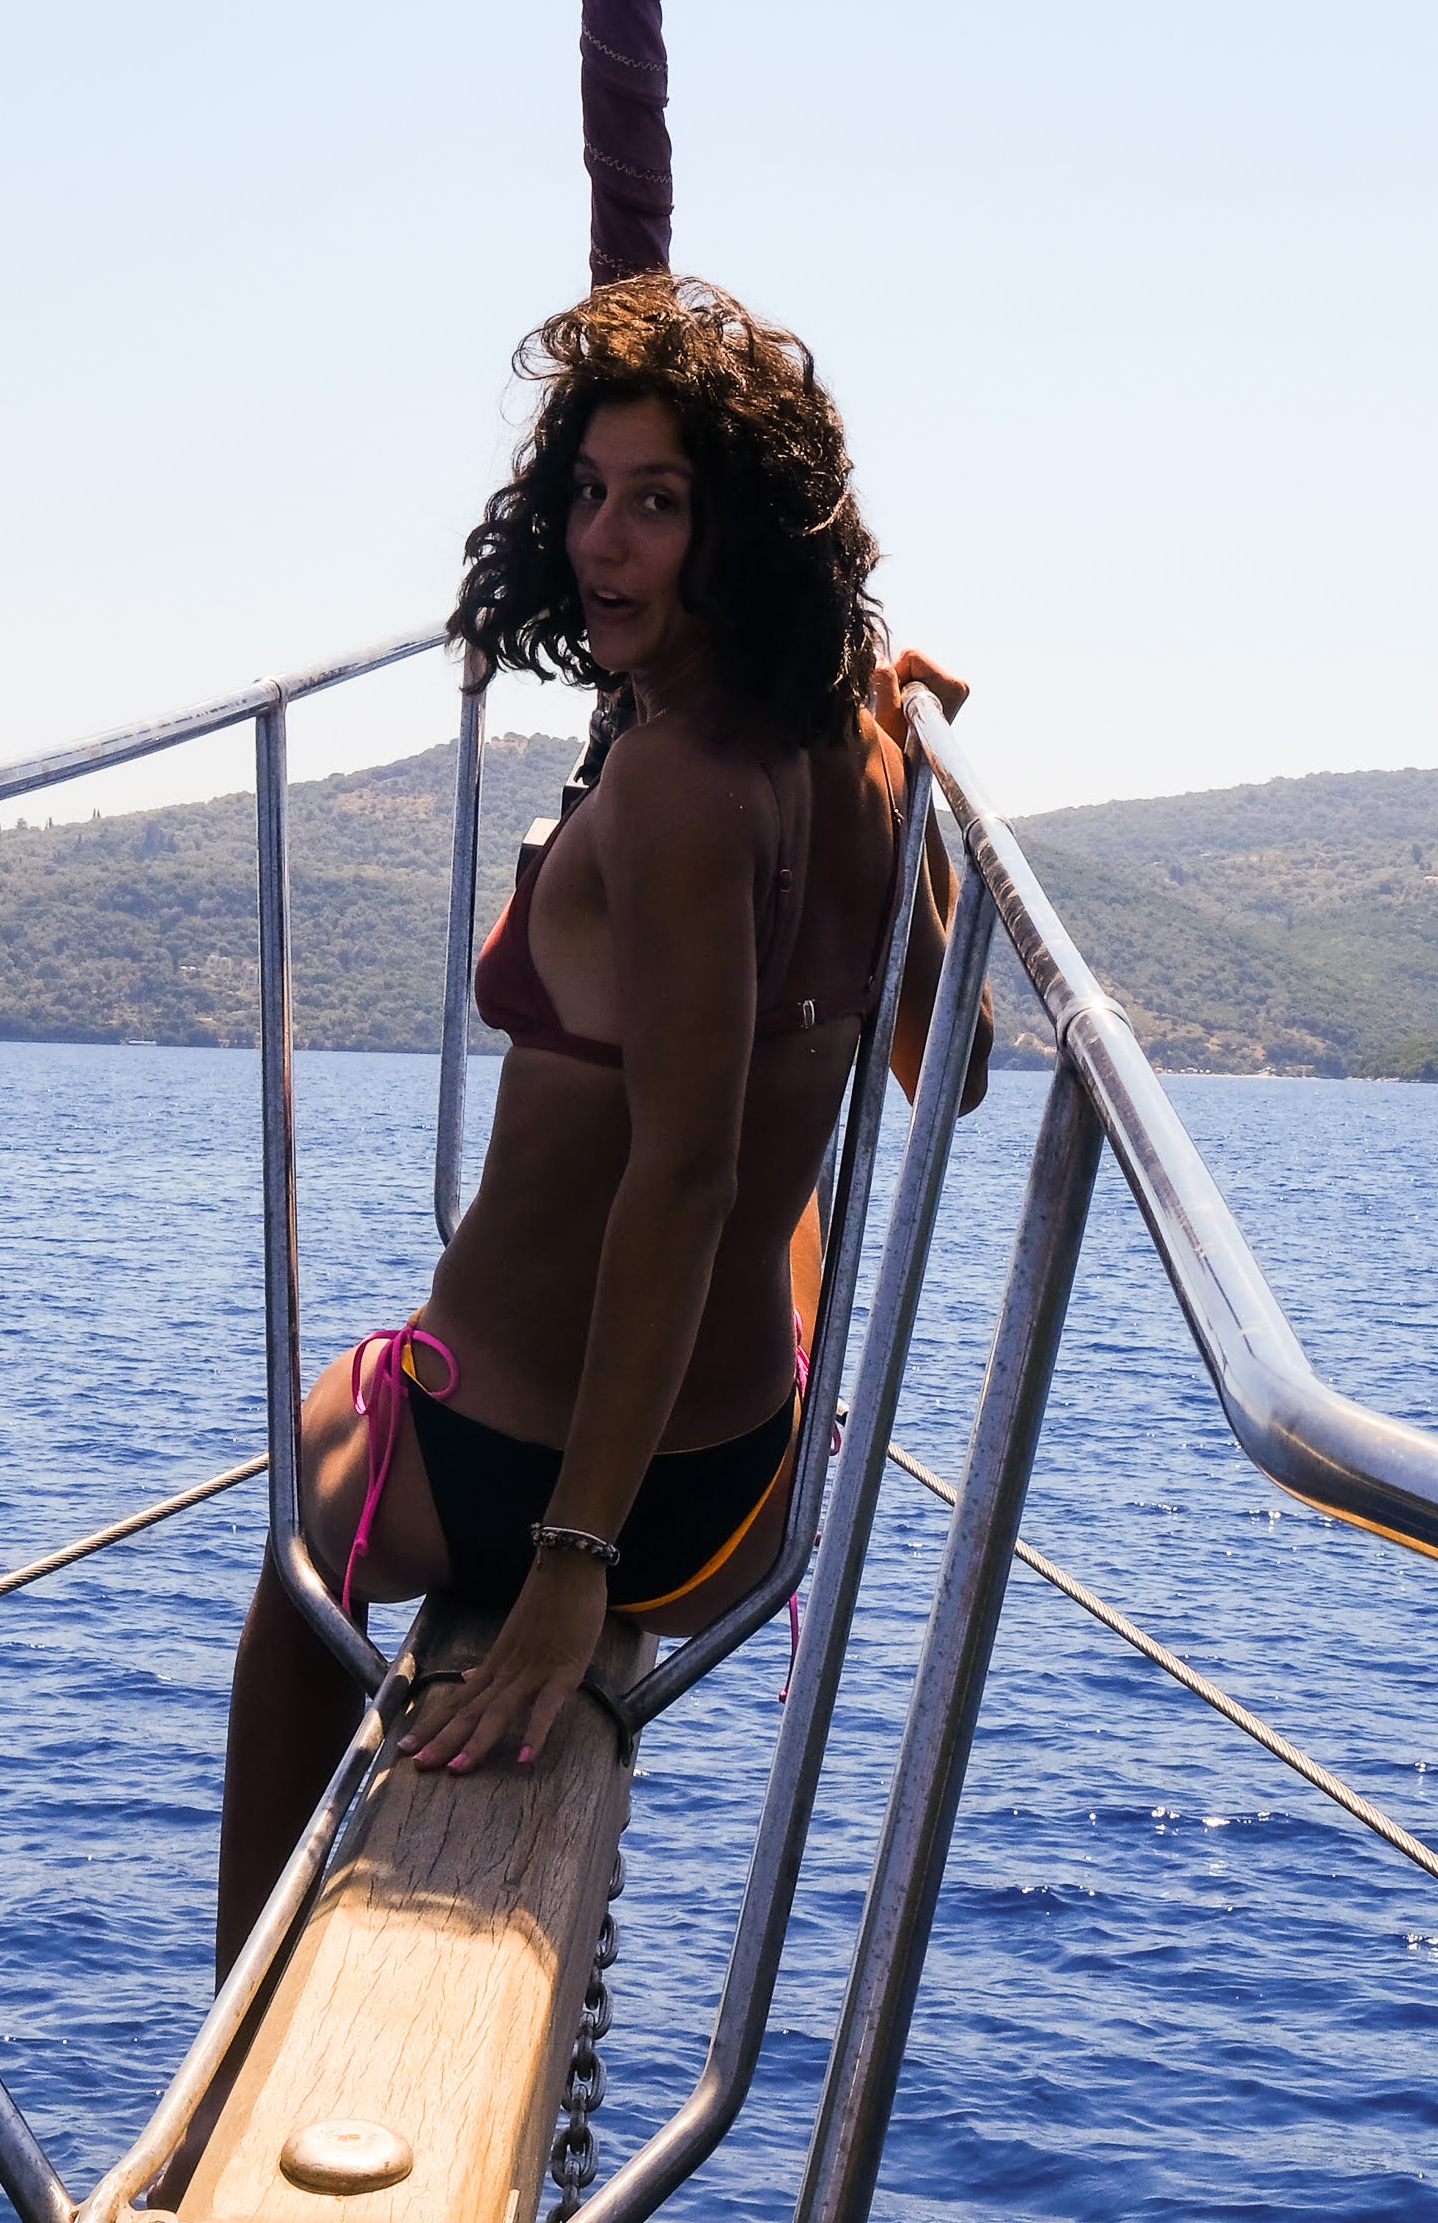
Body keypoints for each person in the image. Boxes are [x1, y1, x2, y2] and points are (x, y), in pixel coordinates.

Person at [215, 273, 990, 1965]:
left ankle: (225, 2024)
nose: (599, 544)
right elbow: (958, 1061)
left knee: (296, 1541)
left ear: (744, 533)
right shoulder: (860, 749)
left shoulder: (674, 785)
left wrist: (569, 1564)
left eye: (657, 503)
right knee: (756, 1188)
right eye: (585, 494)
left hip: (543, 1485)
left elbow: (685, 1175)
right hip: (742, 1488)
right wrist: (915, 787)